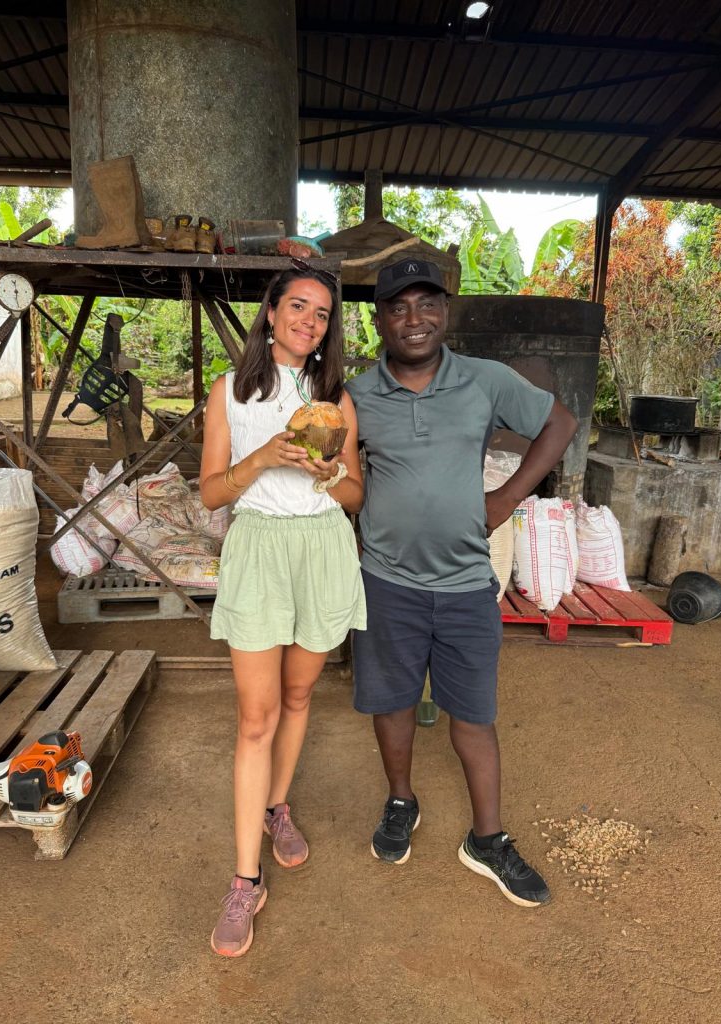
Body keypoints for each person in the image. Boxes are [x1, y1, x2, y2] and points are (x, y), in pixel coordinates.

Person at [346, 257, 578, 907]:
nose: (415, 319)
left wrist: (505, 496)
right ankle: (401, 801)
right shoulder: (359, 396)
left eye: (428, 304)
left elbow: (560, 423)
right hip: (386, 581)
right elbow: (335, 469)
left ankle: (488, 838)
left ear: (445, 312)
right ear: (379, 320)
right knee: (390, 703)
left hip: (466, 584)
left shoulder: (484, 380)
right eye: (399, 307)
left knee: (473, 715)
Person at [200, 265, 366, 957]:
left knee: (299, 696)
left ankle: (277, 808)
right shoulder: (231, 391)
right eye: (297, 305)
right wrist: (265, 457)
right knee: (255, 717)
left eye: (322, 313)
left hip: (323, 548)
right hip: (261, 550)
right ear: (269, 313)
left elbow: (355, 495)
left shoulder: (337, 400)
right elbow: (211, 494)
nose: (309, 320)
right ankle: (245, 881)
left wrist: (327, 472)